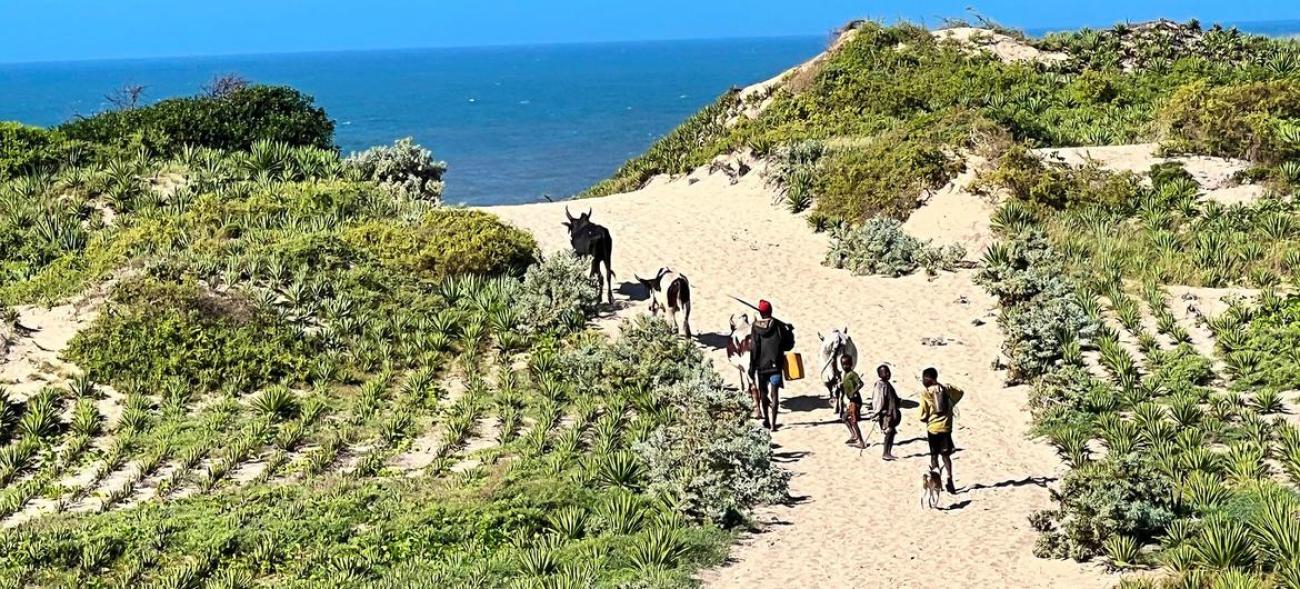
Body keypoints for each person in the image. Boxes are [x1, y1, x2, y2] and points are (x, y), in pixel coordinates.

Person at [749, 299, 794, 431]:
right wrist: (789, 332)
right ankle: (774, 425)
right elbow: (788, 346)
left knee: (763, 394)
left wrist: (752, 366)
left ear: (761, 313)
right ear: (771, 311)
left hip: (761, 367)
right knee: (775, 395)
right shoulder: (779, 326)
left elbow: (754, 348)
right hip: (776, 366)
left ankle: (767, 421)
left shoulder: (755, 327)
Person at [919, 367, 963, 493]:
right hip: (946, 427)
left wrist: (926, 417)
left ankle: (936, 481)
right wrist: (950, 403)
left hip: (933, 428)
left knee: (934, 456)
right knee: (946, 455)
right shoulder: (946, 388)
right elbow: (960, 392)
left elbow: (922, 415)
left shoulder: (925, 393)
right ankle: (949, 478)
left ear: (927, 379)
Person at [866, 364, 901, 460]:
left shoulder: (888, 384)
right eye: (885, 372)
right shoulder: (880, 385)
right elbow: (879, 400)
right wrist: (877, 412)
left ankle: (888, 452)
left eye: (888, 371)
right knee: (889, 431)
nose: (888, 374)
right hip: (886, 414)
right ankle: (885, 453)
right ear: (880, 374)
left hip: (891, 412)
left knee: (892, 432)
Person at [838, 355, 866, 449]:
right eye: (843, 364)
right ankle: (854, 435)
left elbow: (861, 383)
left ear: (851, 364)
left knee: (854, 422)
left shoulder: (852, 374)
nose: (844, 366)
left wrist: (854, 391)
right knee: (844, 417)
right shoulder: (845, 374)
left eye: (847, 364)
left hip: (855, 400)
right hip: (851, 401)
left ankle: (861, 442)